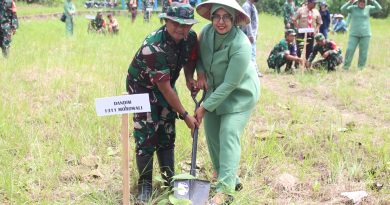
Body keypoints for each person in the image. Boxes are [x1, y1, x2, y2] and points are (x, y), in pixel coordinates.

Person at [126, 3, 199, 203]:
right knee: (147, 135)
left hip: (166, 84)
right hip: (142, 89)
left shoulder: (190, 38)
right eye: (175, 23)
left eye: (186, 25)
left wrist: (189, 77)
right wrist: (185, 115)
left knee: (167, 132)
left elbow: (190, 58)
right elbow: (165, 89)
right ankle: (145, 185)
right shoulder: (153, 46)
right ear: (166, 21)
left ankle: (169, 180)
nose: (180, 28)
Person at [194, 0, 260, 203]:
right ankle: (228, 177)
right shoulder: (205, 33)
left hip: (239, 94)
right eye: (216, 16)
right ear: (211, 17)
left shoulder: (241, 44)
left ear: (234, 19)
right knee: (213, 136)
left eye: (226, 17)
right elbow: (198, 56)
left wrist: (204, 107)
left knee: (228, 133)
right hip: (214, 90)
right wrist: (201, 73)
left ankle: (225, 191)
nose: (220, 22)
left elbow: (231, 84)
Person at [341, 0, 382, 70]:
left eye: (363, 2)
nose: (362, 3)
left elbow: (379, 8)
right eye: (360, 1)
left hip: (365, 34)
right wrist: (350, 2)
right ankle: (346, 67)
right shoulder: (352, 8)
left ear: (365, 2)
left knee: (363, 52)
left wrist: (372, 1)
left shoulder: (368, 8)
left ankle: (361, 67)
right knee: (350, 50)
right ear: (357, 2)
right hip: (354, 34)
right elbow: (342, 9)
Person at [241, 0, 262, 77]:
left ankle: (253, 71)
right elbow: (247, 22)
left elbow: (254, 22)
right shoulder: (246, 6)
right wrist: (250, 35)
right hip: (248, 35)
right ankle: (254, 72)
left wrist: (255, 33)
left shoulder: (252, 6)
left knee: (252, 53)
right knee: (251, 54)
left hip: (252, 34)